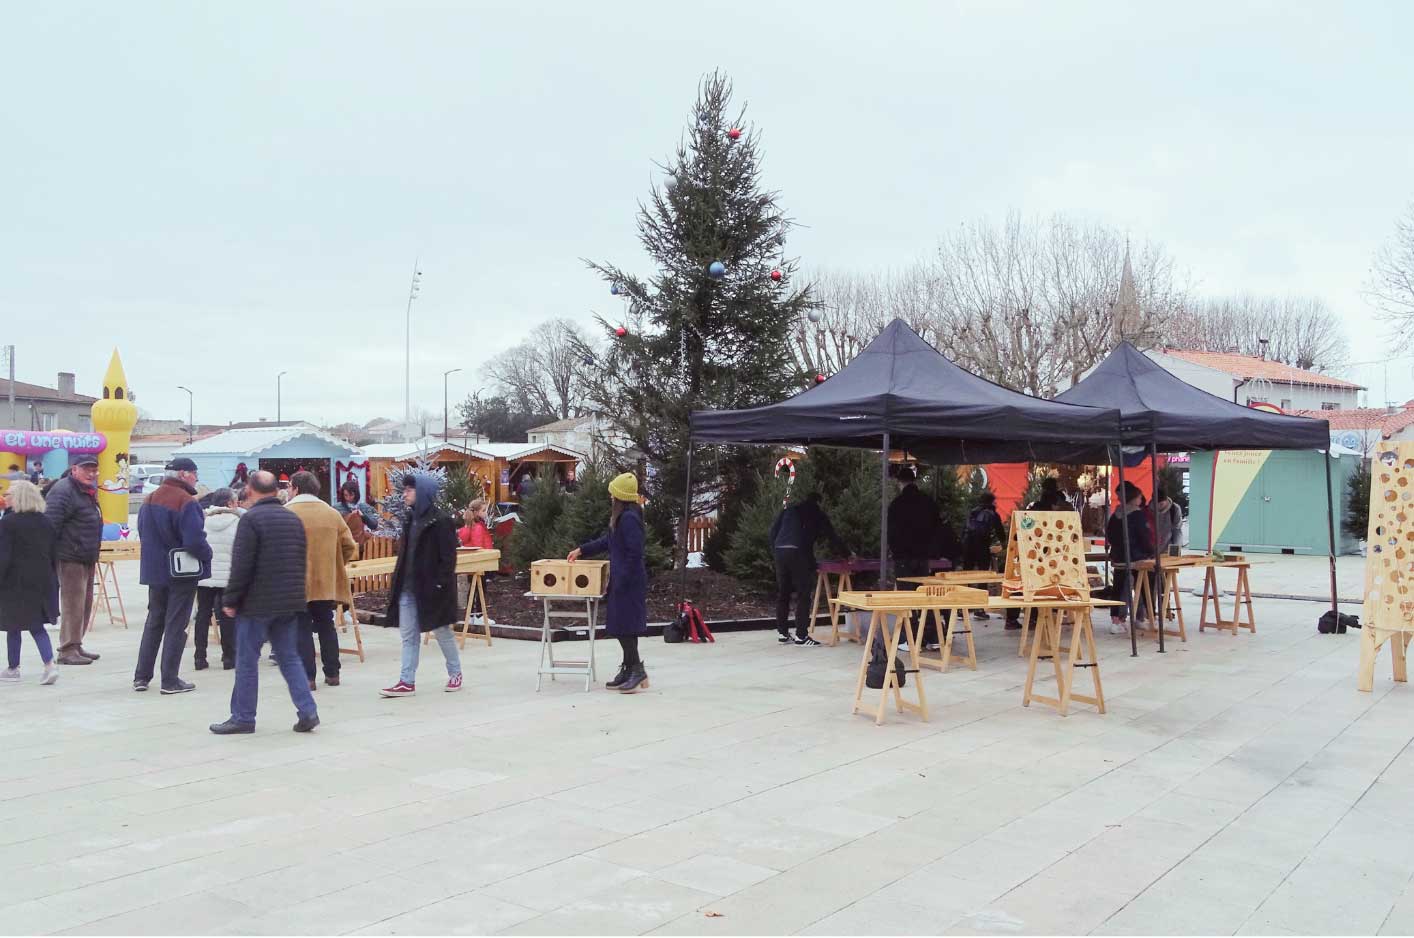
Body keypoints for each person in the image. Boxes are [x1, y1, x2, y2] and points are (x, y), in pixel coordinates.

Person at [210, 471, 319, 734]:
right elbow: (300, 560)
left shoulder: (251, 520)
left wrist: (231, 598)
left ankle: (243, 717)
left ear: (250, 489)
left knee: (247, 660)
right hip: (289, 601)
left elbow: (242, 564)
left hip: (257, 603)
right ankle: (308, 711)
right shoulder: (292, 519)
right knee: (289, 658)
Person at [380, 474, 464, 697]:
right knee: (409, 636)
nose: (404, 494)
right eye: (404, 490)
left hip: (432, 589)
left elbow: (449, 558)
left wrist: (440, 585)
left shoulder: (441, 521)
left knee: (442, 631)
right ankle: (407, 681)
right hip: (408, 589)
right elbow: (404, 556)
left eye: (409, 490)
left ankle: (455, 673)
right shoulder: (410, 520)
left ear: (423, 492)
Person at [133, 457, 212, 694]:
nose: (197, 478)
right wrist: (207, 554)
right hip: (180, 572)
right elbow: (194, 540)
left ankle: (141, 677)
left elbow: (142, 531)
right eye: (195, 473)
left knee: (154, 621)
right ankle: (169, 679)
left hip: (154, 570)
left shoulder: (150, 498)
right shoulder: (185, 501)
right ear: (185, 474)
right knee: (176, 623)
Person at [568, 472, 650, 691]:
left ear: (620, 497)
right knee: (620, 626)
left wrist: (622, 580)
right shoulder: (622, 517)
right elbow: (609, 541)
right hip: (622, 579)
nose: (610, 498)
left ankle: (637, 670)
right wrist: (582, 550)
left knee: (626, 627)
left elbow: (635, 553)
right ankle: (629, 667)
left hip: (629, 581)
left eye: (613, 495)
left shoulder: (630, 518)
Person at [286, 470, 358, 690]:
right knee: (326, 625)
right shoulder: (331, 513)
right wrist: (335, 564)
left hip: (297, 581)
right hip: (326, 581)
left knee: (302, 628)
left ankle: (308, 678)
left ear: (296, 488)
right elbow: (350, 546)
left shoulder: (287, 512)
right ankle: (333, 673)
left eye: (289, 486)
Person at [43, 453, 104, 665]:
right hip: (70, 556)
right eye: (86, 469)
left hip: (86, 555)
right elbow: (51, 524)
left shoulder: (85, 491)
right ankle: (67, 649)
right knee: (72, 603)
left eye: (94, 469)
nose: (91, 473)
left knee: (84, 603)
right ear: (74, 469)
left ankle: (76, 644)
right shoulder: (63, 490)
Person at [768, 489, 849, 647]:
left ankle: (783, 633)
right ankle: (801, 636)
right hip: (798, 552)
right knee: (803, 594)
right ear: (819, 502)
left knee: (783, 593)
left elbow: (772, 532)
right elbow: (831, 536)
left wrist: (776, 549)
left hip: (780, 551)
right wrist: (847, 554)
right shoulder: (816, 513)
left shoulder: (788, 511)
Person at [0, 482, 60, 685]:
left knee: (12, 624)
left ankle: (14, 667)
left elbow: (3, 557)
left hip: (15, 582)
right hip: (43, 580)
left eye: (8, 494)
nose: (5, 497)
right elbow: (54, 554)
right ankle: (48, 665)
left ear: (18, 497)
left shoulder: (8, 523)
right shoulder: (46, 522)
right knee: (36, 626)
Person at [1005, 478, 1070, 631]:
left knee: (1025, 582)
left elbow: (1022, 529)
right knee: (1039, 584)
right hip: (1048, 551)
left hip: (1032, 549)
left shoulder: (1033, 507)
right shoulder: (1059, 507)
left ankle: (1014, 618)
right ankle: (1035, 618)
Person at [888, 467, 942, 645]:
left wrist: (895, 551)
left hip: (903, 557)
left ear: (899, 482)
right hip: (923, 556)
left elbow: (891, 533)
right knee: (925, 596)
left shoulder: (896, 505)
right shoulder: (928, 502)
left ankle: (910, 639)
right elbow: (937, 528)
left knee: (907, 597)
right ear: (915, 480)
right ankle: (932, 637)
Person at [194, 488, 241, 671]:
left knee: (203, 615)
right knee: (227, 616)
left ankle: (200, 657)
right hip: (228, 576)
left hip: (205, 575)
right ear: (229, 503)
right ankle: (228, 657)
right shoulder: (237, 523)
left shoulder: (203, 520)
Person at [1106, 481, 1155, 635]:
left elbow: (1110, 535)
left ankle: (1117, 619)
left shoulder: (1116, 515)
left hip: (1119, 556)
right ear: (1134, 497)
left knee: (1119, 587)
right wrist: (1150, 551)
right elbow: (1144, 536)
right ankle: (1140, 618)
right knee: (1141, 587)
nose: (1141, 500)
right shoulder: (1137, 514)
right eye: (1140, 497)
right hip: (1136, 557)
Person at [961, 492, 1006, 621]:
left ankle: (962, 608)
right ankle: (979, 609)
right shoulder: (992, 514)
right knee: (982, 576)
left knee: (965, 576)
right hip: (982, 547)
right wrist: (1003, 545)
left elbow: (964, 529)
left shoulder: (972, 512)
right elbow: (1000, 532)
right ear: (992, 502)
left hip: (968, 546)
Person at [335, 479, 380, 545]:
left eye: (351, 495)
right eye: (346, 495)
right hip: (343, 543)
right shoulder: (337, 508)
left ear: (356, 494)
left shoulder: (363, 506)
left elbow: (374, 525)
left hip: (360, 544)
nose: (348, 498)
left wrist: (362, 516)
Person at [1154, 489, 1184, 555]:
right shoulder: (1148, 510)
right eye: (1156, 504)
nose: (1158, 506)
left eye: (1161, 504)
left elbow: (1177, 531)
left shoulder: (1174, 509)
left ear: (1166, 500)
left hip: (1168, 550)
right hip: (1152, 551)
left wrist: (1175, 551)